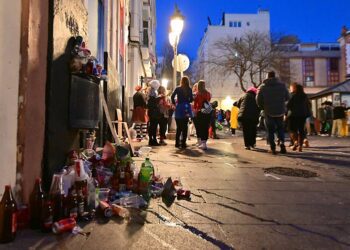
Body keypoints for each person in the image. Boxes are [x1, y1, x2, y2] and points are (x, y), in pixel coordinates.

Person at [256, 71, 290, 154]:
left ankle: (273, 148)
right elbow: (287, 97)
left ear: (267, 77)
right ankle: (282, 144)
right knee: (280, 129)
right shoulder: (282, 86)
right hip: (280, 111)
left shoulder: (263, 87)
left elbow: (258, 100)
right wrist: (281, 103)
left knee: (270, 130)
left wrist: (262, 107)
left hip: (268, 111)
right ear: (275, 77)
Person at [286, 83, 311, 152]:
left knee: (292, 129)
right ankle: (300, 146)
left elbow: (288, 105)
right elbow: (309, 105)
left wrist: (286, 114)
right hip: (303, 115)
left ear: (295, 88)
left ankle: (295, 142)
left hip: (293, 115)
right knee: (301, 130)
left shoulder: (293, 95)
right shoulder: (305, 96)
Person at [171, 76, 193, 149]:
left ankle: (177, 143)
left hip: (179, 108)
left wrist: (174, 103)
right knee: (185, 126)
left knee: (179, 127)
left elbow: (172, 96)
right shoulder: (189, 89)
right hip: (186, 108)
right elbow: (191, 99)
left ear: (181, 81)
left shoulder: (178, 88)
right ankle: (183, 143)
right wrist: (187, 101)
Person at [193, 80, 212, 150]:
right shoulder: (208, 93)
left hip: (200, 112)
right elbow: (209, 100)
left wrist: (195, 111)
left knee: (200, 128)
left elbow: (195, 104)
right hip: (207, 113)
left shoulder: (197, 94)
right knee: (205, 127)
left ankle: (202, 143)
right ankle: (204, 143)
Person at [147, 80, 161, 146]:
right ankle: (154, 140)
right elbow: (153, 102)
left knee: (152, 126)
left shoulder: (150, 90)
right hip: (154, 112)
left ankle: (151, 140)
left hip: (151, 111)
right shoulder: (153, 92)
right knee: (154, 126)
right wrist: (158, 98)